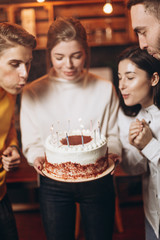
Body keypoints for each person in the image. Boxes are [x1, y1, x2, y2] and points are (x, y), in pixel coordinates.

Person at [20, 17, 121, 240]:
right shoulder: (33, 92)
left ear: (86, 52)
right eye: (59, 57)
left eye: (76, 56)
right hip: (52, 183)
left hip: (99, 179)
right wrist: (36, 156)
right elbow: (32, 142)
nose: (69, 65)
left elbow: (113, 134)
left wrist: (113, 153)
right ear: (49, 55)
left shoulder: (105, 89)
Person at [117, 46, 160, 240]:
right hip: (152, 215)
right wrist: (137, 147)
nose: (122, 85)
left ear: (153, 79)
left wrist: (149, 145)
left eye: (130, 77)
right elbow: (136, 170)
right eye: (119, 77)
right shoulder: (138, 118)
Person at [0, 22, 36, 240]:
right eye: (14, 64)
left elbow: (9, 126)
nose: (24, 74)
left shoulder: (9, 92)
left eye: (28, 64)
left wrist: (12, 146)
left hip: (2, 195)